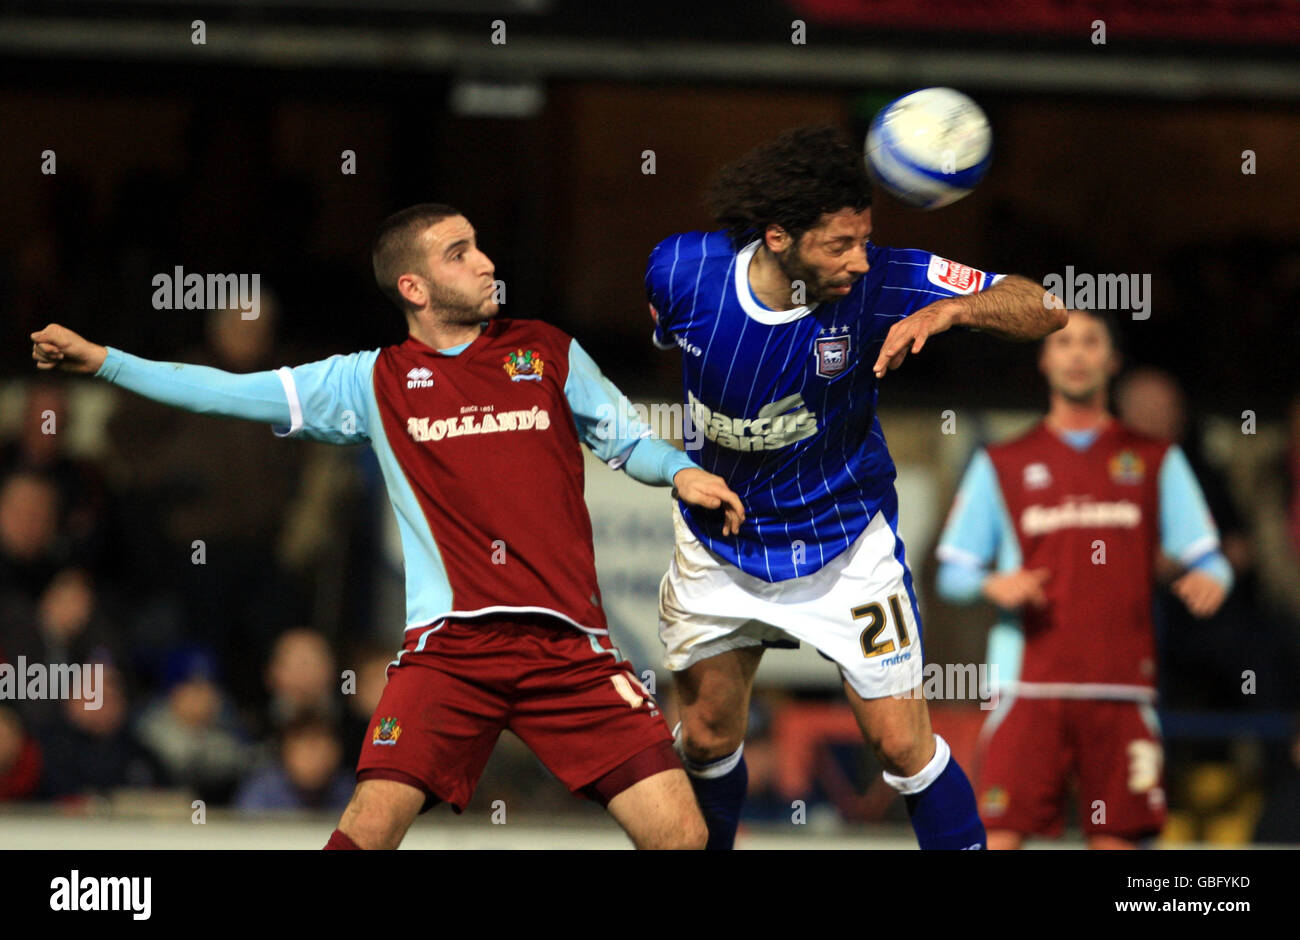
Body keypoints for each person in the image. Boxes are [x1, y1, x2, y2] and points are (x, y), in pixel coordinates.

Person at [31, 202, 746, 850]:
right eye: (459, 253)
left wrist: (677, 470)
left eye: (480, 247)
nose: (486, 261)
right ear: (415, 287)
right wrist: (106, 363)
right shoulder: (372, 381)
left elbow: (626, 438)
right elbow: (228, 392)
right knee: (369, 828)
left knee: (681, 836)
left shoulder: (547, 351)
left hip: (569, 647)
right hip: (452, 651)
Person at [645, 125, 1065, 850]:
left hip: (846, 544)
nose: (858, 259)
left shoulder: (885, 282)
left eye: (864, 239)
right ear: (779, 237)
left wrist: (951, 309)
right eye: (839, 245)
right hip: (722, 543)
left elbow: (1045, 307)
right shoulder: (681, 268)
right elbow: (665, 338)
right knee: (708, 738)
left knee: (902, 745)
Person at [935, 309, 1232, 848]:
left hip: (1121, 688)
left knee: (1118, 838)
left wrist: (1209, 578)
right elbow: (952, 571)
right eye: (1064, 342)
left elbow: (1211, 558)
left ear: (1113, 361)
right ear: (1044, 359)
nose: (1077, 354)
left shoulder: (1153, 459)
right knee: (998, 834)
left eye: (1091, 342)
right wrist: (990, 584)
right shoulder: (1003, 462)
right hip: (1027, 688)